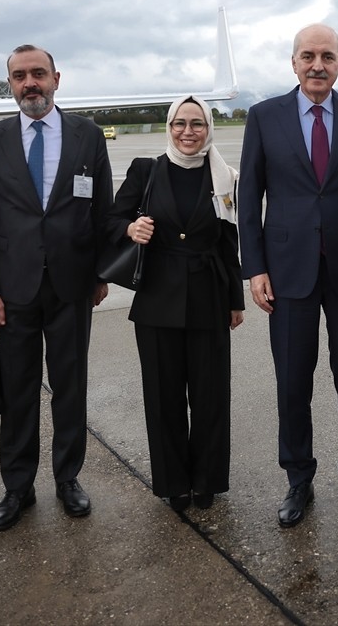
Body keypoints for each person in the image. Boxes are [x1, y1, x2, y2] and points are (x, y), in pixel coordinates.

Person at [238, 24, 338, 528]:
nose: (317, 65)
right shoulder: (263, 117)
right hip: (287, 271)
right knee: (292, 382)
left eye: (327, 56)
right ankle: (298, 478)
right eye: (308, 55)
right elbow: (249, 198)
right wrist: (255, 267)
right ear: (293, 62)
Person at [0, 45, 113, 532]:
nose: (29, 83)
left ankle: (68, 478)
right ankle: (18, 487)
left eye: (38, 74)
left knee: (70, 388)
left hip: (72, 285)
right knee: (19, 388)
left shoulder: (87, 135)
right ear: (9, 83)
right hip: (13, 290)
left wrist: (100, 276)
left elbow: (103, 211)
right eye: (19, 76)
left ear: (56, 77)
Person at [107, 96, 244, 518]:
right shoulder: (145, 170)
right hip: (157, 300)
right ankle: (174, 482)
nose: (188, 132)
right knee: (163, 396)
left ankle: (207, 480)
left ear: (209, 128)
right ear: (169, 127)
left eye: (197, 124)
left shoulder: (223, 177)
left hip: (209, 295)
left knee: (210, 396)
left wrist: (235, 301)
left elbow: (228, 241)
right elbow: (111, 220)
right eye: (180, 124)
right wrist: (131, 226)